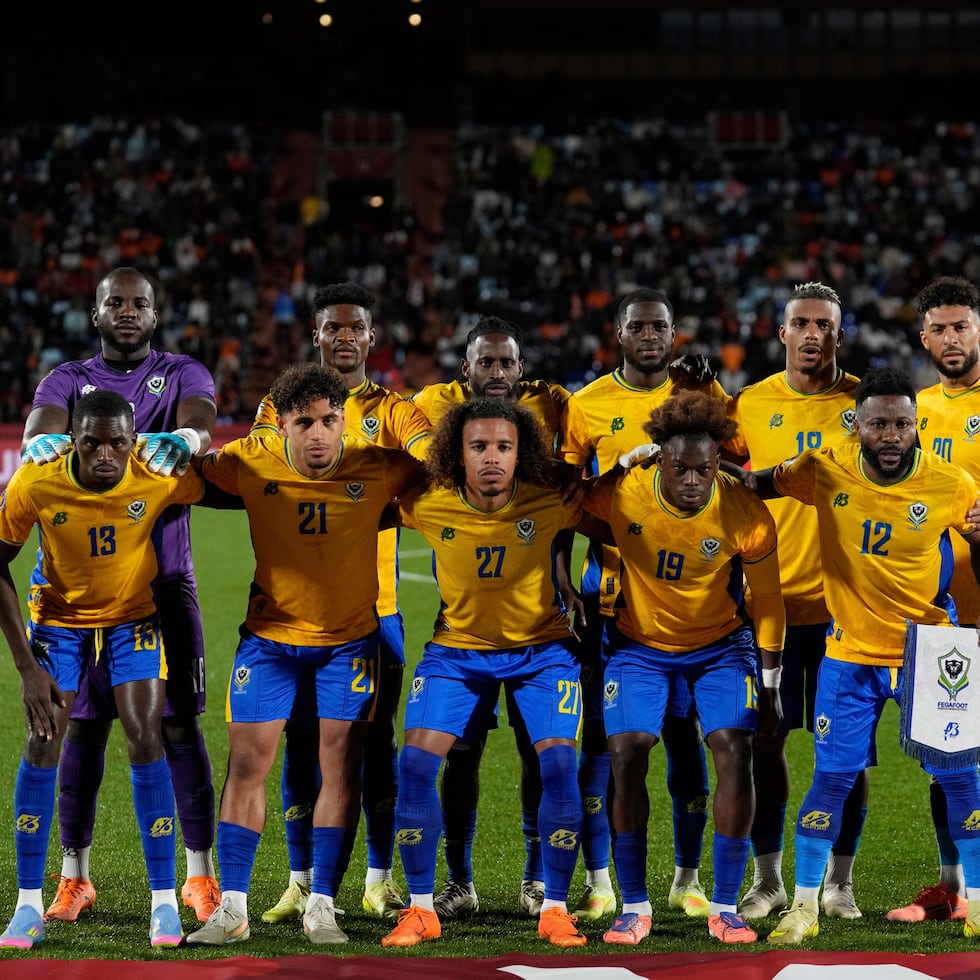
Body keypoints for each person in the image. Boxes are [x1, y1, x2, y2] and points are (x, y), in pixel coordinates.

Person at [735, 366, 980, 945]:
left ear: (916, 426)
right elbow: (753, 483)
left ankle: (975, 903)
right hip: (850, 651)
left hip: (934, 648)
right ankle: (805, 905)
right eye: (878, 424)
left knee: (962, 780)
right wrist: (664, 461)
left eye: (901, 423)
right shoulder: (823, 467)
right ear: (858, 425)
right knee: (833, 777)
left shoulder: (952, 483)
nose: (890, 435)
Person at [185, 363, 423, 947]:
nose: (319, 434)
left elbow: (449, 473)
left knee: (340, 767)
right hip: (269, 642)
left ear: (345, 420)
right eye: (304, 423)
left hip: (350, 645)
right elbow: (186, 476)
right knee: (247, 766)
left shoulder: (379, 465)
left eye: (330, 420)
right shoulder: (250, 458)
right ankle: (233, 907)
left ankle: (323, 903)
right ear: (281, 425)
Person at [20, 266, 219, 925]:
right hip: (80, 594)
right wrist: (38, 441)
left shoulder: (183, 369)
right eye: (116, 302)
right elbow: (42, 426)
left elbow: (201, 418)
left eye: (139, 303)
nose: (128, 311)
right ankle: (74, 876)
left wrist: (187, 438)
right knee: (79, 726)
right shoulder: (66, 380)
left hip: (166, 583)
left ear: (155, 315)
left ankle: (198, 877)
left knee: (178, 725)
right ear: (96, 313)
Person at [379, 397, 603, 949]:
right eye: (478, 447)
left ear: (520, 452)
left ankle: (554, 907)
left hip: (544, 652)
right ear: (457, 453)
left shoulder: (551, 500)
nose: (492, 458)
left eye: (504, 447)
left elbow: (626, 519)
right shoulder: (427, 503)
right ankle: (422, 908)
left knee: (557, 765)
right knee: (413, 766)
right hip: (458, 652)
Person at [250, 282, 430, 924]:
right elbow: (263, 466)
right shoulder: (282, 405)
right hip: (293, 610)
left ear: (371, 337)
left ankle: (377, 879)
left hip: (374, 611)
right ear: (317, 334)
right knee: (300, 744)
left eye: (356, 326)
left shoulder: (396, 408)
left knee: (373, 744)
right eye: (333, 326)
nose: (345, 336)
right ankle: (300, 881)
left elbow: (427, 458)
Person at [0, 390, 206, 950]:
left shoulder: (153, 471)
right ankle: (27, 906)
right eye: (92, 442)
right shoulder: (37, 480)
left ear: (134, 438)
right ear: (73, 440)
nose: (107, 455)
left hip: (133, 619)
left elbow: (226, 487)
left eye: (119, 441)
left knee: (146, 737)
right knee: (44, 742)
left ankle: (164, 903)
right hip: (59, 623)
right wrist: (26, 667)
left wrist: (190, 443)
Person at [581, 389, 784, 946]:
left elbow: (767, 600)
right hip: (639, 645)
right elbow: (570, 504)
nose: (692, 480)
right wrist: (616, 468)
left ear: (721, 462)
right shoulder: (626, 493)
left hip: (721, 645)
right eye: (679, 468)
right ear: (659, 461)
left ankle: (725, 906)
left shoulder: (745, 509)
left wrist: (770, 684)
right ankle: (635, 906)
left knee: (734, 749)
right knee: (626, 753)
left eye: (704, 468)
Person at [559, 287, 729, 919]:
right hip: (610, 603)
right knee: (605, 745)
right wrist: (561, 580)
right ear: (620, 333)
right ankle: (602, 881)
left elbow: (733, 474)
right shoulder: (586, 405)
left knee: (688, 740)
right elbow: (567, 498)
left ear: (675, 333)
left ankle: (687, 879)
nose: (650, 336)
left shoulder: (695, 398)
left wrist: (712, 395)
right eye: (639, 327)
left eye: (660, 326)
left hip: (692, 603)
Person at [411, 316, 573, 920]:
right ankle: (458, 880)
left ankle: (537, 879)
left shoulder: (553, 416)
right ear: (467, 368)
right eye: (487, 362)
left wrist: (567, 577)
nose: (497, 373)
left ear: (521, 369)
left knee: (543, 755)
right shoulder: (435, 416)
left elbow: (597, 502)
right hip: (464, 635)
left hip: (540, 635)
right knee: (460, 755)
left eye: (507, 363)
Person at [724, 281, 867, 920]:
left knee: (848, 751)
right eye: (801, 324)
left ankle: (839, 881)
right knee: (764, 740)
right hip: (767, 608)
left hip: (845, 609)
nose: (813, 335)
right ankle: (770, 880)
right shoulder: (749, 405)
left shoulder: (868, 404)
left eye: (825, 325)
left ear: (841, 333)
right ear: (781, 333)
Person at [887, 275, 980, 923]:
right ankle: (955, 886)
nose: (952, 338)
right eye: (940, 329)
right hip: (945, 614)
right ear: (924, 339)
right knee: (948, 755)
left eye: (962, 326)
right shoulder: (913, 414)